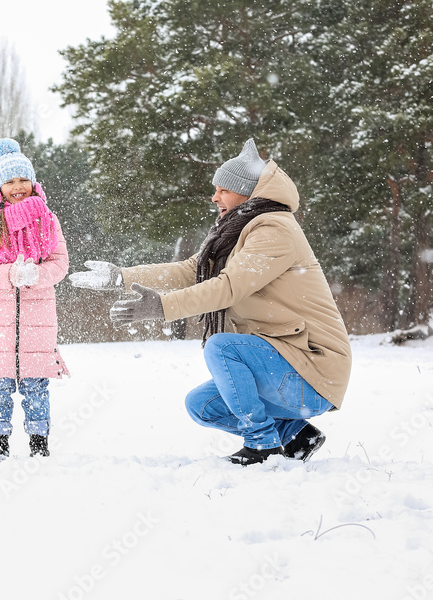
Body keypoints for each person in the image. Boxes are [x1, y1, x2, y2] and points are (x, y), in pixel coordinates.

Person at [69, 139, 351, 465]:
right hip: (284, 365)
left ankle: (262, 445)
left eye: (223, 189)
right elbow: (192, 270)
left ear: (248, 193)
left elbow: (228, 288)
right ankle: (296, 435)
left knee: (222, 347)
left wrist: (162, 307)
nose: (215, 197)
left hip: (312, 370)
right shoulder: (237, 229)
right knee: (201, 405)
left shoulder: (275, 229)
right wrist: (122, 277)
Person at [0, 138, 70, 459]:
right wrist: (10, 274)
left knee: (37, 387)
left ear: (33, 181)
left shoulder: (48, 220)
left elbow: (60, 263)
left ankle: (39, 444)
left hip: (37, 320)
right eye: (10, 181)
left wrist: (36, 276)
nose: (18, 186)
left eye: (23, 179)